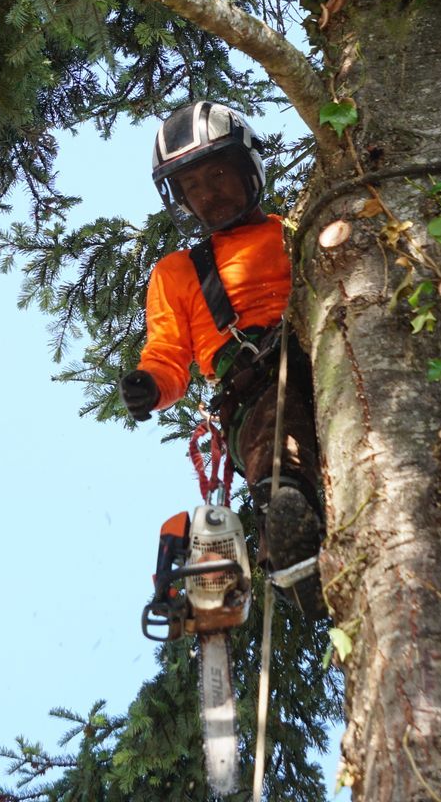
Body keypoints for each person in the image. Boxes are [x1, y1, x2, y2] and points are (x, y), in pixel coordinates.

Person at [119, 101, 324, 609]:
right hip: (252, 383)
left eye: (217, 174)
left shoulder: (293, 231)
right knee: (273, 429)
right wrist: (150, 383)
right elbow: (168, 352)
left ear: (247, 168)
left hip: (320, 344)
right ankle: (288, 520)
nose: (208, 193)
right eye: (193, 186)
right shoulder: (178, 272)